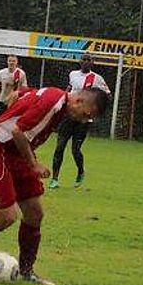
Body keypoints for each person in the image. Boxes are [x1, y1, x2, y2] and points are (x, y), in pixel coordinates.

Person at [0, 86, 109, 285]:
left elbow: (32, 92)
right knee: (8, 215)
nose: (83, 120)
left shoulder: (57, 97)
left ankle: (26, 272)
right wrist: (33, 164)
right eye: (85, 115)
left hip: (17, 153)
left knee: (34, 213)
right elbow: (17, 131)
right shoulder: (53, 104)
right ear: (79, 101)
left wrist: (20, 92)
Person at [49, 54, 111, 189]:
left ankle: (80, 171)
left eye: (89, 60)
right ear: (80, 61)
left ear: (92, 63)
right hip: (69, 115)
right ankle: (54, 179)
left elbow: (107, 95)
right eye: (84, 59)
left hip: (84, 119)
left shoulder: (97, 79)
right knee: (60, 146)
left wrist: (94, 108)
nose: (86, 62)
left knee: (75, 149)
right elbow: (69, 89)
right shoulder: (73, 74)